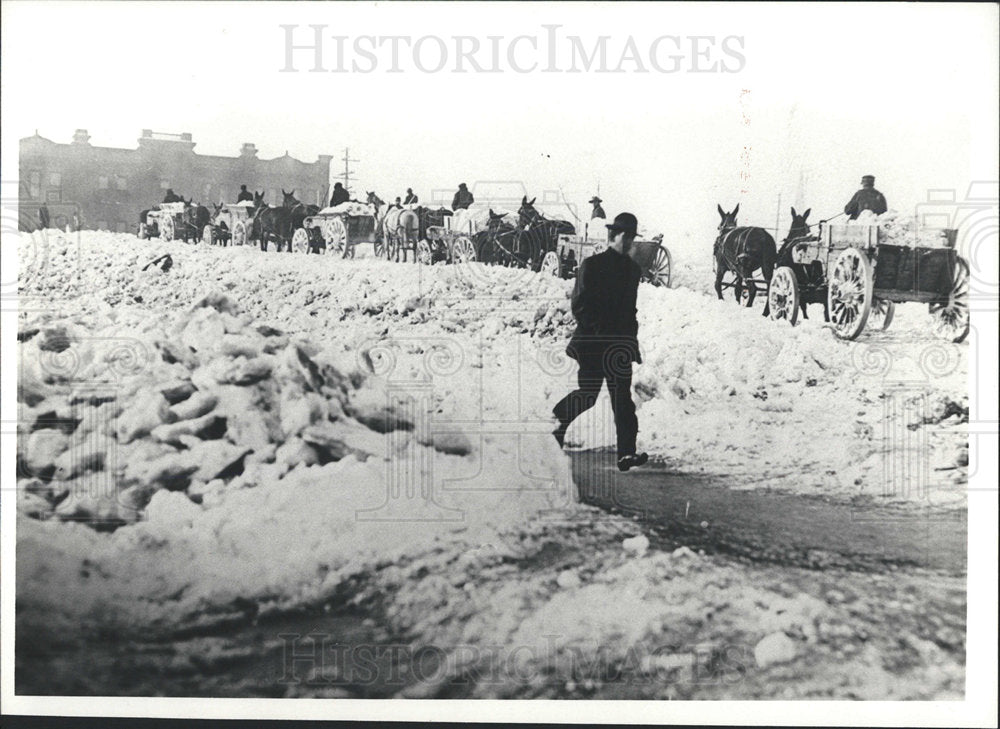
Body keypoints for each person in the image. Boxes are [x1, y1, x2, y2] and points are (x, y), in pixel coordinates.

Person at [552, 212, 648, 472]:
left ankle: (627, 453)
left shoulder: (632, 270)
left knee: (623, 402)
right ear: (612, 236)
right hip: (594, 344)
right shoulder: (592, 265)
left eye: (632, 237)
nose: (629, 242)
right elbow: (579, 305)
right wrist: (601, 331)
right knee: (588, 396)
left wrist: (631, 342)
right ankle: (553, 429)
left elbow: (630, 310)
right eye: (624, 237)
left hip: (619, 347)